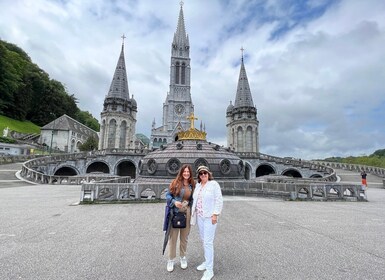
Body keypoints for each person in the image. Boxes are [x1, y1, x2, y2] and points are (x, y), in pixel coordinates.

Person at [191, 165, 223, 280]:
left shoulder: (214, 184)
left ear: (208, 174)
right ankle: (206, 262)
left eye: (205, 173)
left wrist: (215, 214)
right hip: (200, 217)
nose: (203, 175)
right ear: (198, 176)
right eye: (201, 173)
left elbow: (219, 200)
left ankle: (210, 270)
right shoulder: (198, 186)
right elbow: (194, 200)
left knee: (208, 243)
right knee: (204, 241)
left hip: (210, 217)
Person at [165, 164, 195, 272]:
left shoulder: (192, 185)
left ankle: (183, 257)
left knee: (184, 238)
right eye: (184, 171)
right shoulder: (175, 183)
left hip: (186, 213)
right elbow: (167, 196)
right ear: (181, 172)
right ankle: (171, 259)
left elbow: (193, 199)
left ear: (190, 173)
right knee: (173, 238)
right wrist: (174, 202)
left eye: (188, 172)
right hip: (176, 213)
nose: (186, 173)